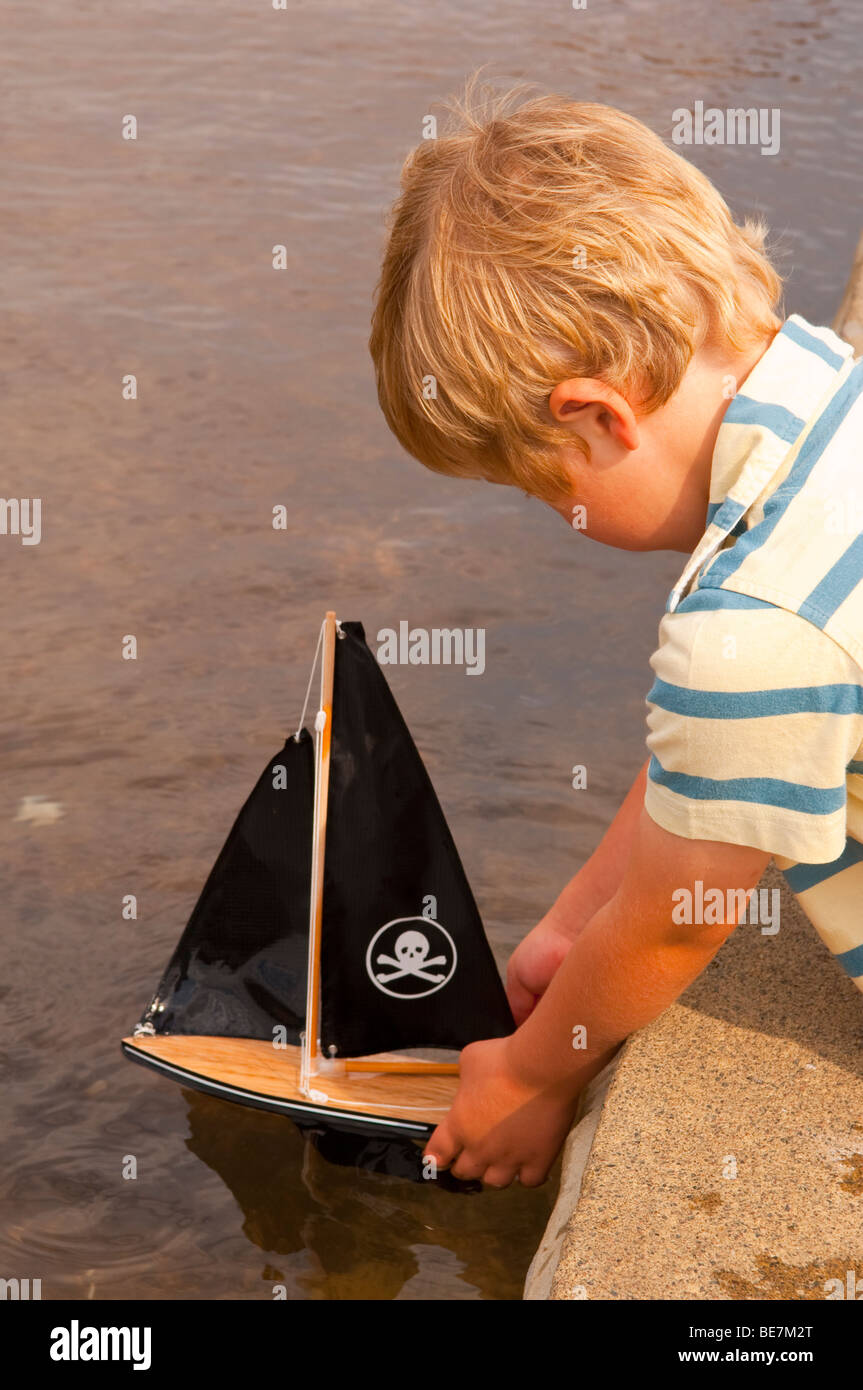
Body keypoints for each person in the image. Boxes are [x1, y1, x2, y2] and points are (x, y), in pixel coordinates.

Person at [368, 86, 863, 1188]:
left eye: (545, 493)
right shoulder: (835, 406)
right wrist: (566, 926)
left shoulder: (747, 625)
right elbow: (698, 792)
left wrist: (535, 1076)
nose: (563, 523)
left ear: (596, 417)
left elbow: (676, 921)